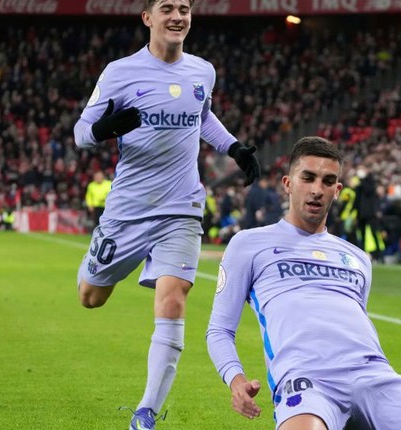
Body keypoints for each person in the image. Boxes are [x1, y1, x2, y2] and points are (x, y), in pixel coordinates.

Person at [73, 1, 261, 429]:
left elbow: (202, 115)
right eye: (167, 8)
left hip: (182, 207)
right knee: (91, 297)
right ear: (148, 17)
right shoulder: (119, 73)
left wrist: (232, 147)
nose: (178, 16)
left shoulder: (202, 70)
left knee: (174, 297)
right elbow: (82, 132)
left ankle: (146, 413)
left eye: (185, 8)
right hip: (127, 211)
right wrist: (104, 129)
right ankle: (94, 267)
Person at [207, 137, 401, 430]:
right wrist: (236, 381)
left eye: (328, 181)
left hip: (374, 376)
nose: (317, 190)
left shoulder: (358, 258)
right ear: (288, 183)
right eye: (308, 178)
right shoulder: (249, 244)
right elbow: (219, 330)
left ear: (337, 190)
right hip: (307, 381)